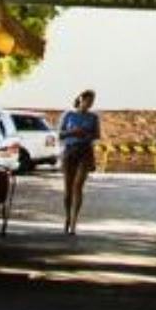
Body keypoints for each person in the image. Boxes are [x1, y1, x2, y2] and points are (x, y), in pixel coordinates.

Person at [58, 90, 102, 234]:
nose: (89, 104)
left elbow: (97, 135)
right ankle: (67, 217)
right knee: (68, 190)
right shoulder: (68, 115)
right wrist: (73, 132)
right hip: (70, 151)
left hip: (85, 151)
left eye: (92, 102)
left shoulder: (93, 117)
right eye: (88, 101)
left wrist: (86, 134)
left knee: (78, 186)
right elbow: (60, 134)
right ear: (81, 99)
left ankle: (74, 222)